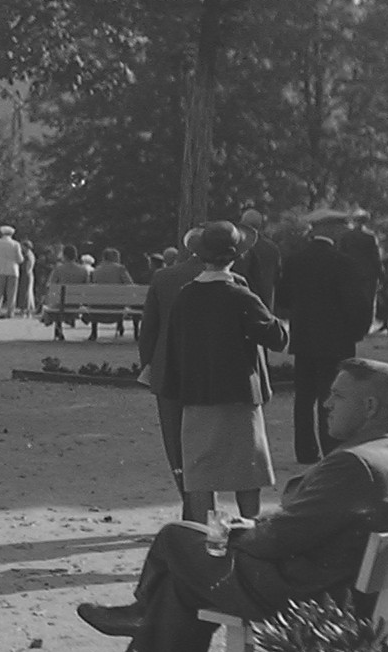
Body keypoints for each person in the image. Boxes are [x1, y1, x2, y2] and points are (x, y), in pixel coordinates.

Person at [78, 359, 388, 652]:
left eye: (338, 395)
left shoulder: (357, 464)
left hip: (307, 598)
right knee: (180, 585)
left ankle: (140, 630)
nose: (326, 404)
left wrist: (242, 532)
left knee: (177, 538)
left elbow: (277, 541)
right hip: (349, 590)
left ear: (369, 407)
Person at [163, 223, 287, 524]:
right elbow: (277, 338)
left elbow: (173, 347)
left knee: (201, 473)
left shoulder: (185, 296)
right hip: (240, 394)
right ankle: (251, 528)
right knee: (247, 470)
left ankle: (203, 532)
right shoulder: (241, 295)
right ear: (235, 257)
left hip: (197, 394)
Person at [274, 210, 375, 464]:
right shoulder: (344, 262)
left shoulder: (295, 261)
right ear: (329, 230)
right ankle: (331, 446)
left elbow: (283, 299)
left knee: (304, 396)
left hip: (304, 337)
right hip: (336, 340)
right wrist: (358, 330)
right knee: (333, 394)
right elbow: (356, 303)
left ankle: (305, 450)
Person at [137, 229, 206, 519]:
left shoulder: (164, 278)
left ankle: (190, 503)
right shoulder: (234, 279)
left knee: (176, 443)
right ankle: (204, 504)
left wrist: (150, 365)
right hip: (210, 371)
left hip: (169, 369)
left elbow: (148, 329)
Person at [336, 213, 383, 330]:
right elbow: (375, 257)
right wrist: (381, 275)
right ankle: (366, 325)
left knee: (351, 299)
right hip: (368, 274)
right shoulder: (370, 237)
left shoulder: (346, 236)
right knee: (368, 301)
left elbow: (340, 255)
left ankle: (351, 323)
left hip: (350, 273)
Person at [234, 208, 281, 310]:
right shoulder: (272, 248)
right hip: (265, 303)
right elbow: (277, 277)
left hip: (243, 302)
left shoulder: (239, 247)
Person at [45, 245, 89, 339]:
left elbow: (50, 285)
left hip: (61, 304)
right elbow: (87, 287)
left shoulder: (58, 269)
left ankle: (58, 327)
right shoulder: (83, 270)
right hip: (77, 303)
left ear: (64, 255)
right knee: (61, 299)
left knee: (57, 300)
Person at [0, 225, 22, 319]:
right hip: (12, 270)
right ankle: (10, 312)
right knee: (11, 293)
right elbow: (19, 259)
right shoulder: (16, 244)